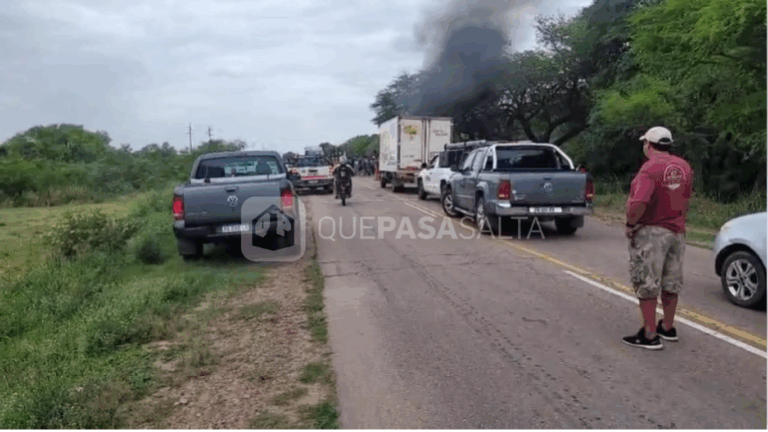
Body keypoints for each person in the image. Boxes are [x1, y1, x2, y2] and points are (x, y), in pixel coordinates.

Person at [623, 126, 693, 350]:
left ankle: (649, 333)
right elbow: (685, 196)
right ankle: (668, 326)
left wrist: (630, 224)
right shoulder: (683, 167)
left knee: (647, 282)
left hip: (652, 232)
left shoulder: (649, 168)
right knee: (671, 282)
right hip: (677, 232)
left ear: (648, 145)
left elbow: (639, 202)